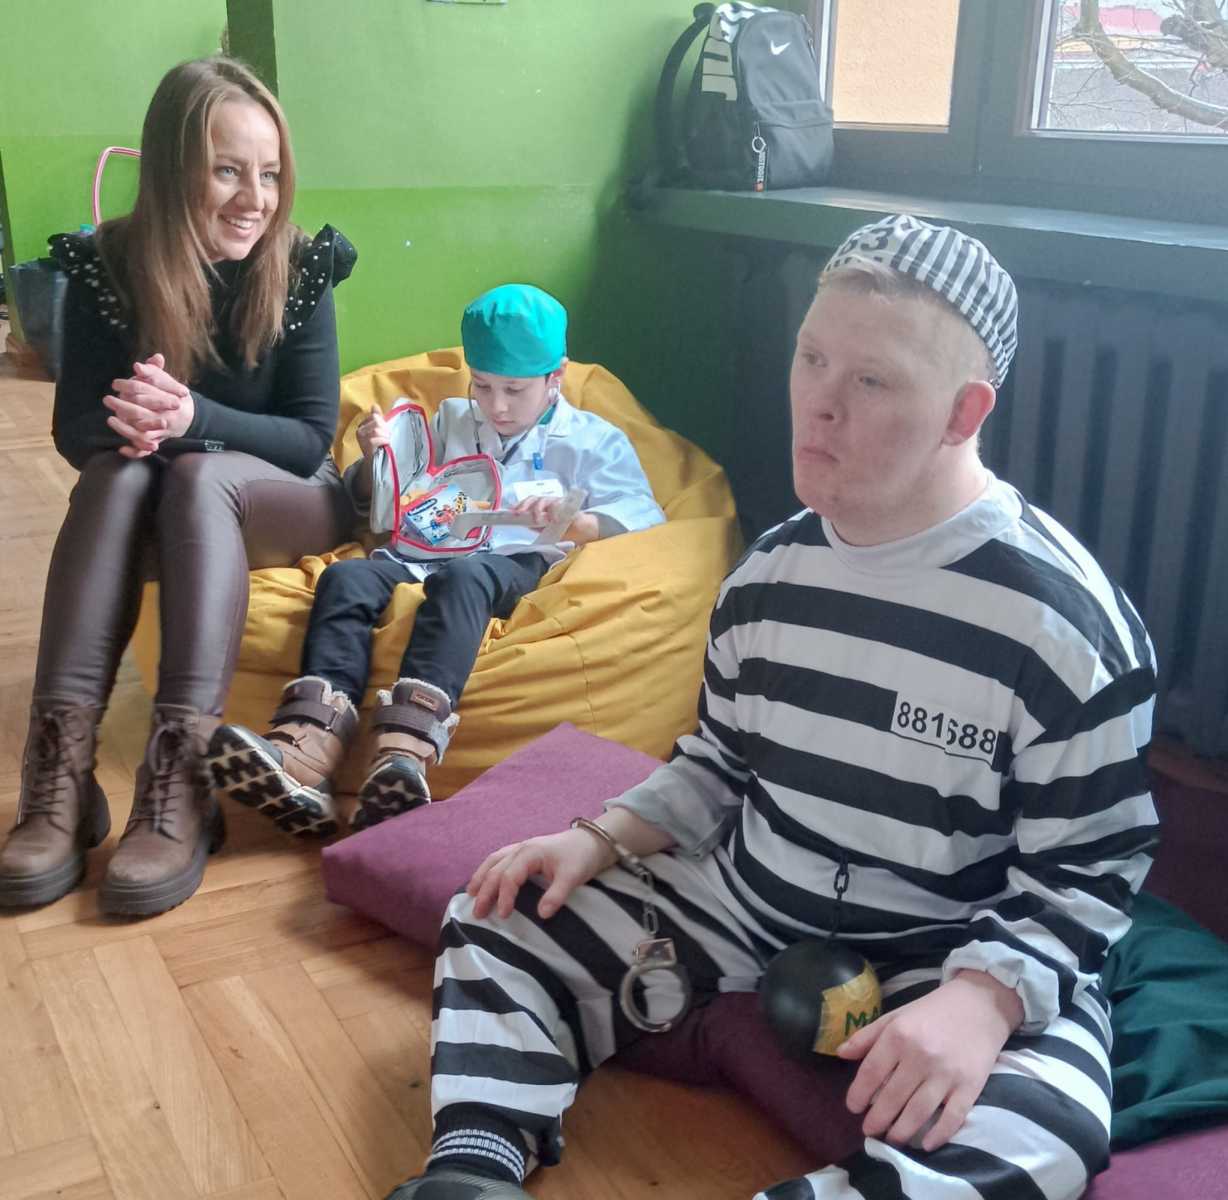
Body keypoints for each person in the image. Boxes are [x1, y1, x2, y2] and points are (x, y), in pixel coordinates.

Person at [379, 216, 1159, 1200]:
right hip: (744, 905)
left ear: (962, 412)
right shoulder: (767, 578)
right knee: (496, 913)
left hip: (942, 951)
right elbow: (719, 762)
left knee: (1049, 1134)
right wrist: (598, 839)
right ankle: (478, 1160)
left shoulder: (1063, 629)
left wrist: (983, 1002)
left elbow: (1088, 868)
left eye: (870, 380)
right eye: (811, 358)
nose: (818, 405)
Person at [0, 57, 356, 916]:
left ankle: (182, 780)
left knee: (195, 475)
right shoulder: (107, 263)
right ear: (172, 170)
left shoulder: (301, 265)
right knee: (116, 476)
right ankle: (59, 781)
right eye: (228, 171)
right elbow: (76, 429)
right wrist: (133, 425)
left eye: (269, 173)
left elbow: (311, 436)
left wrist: (191, 418)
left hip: (292, 492)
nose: (254, 199)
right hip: (161, 494)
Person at [207, 284, 666, 835]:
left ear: (557, 376)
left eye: (515, 390)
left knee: (467, 578)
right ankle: (308, 746)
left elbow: (644, 514)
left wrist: (577, 522)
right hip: (425, 553)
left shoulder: (593, 440)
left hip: (511, 563)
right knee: (346, 578)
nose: (496, 406)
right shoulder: (450, 419)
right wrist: (376, 457)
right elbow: (386, 500)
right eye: (483, 385)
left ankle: (405, 752)